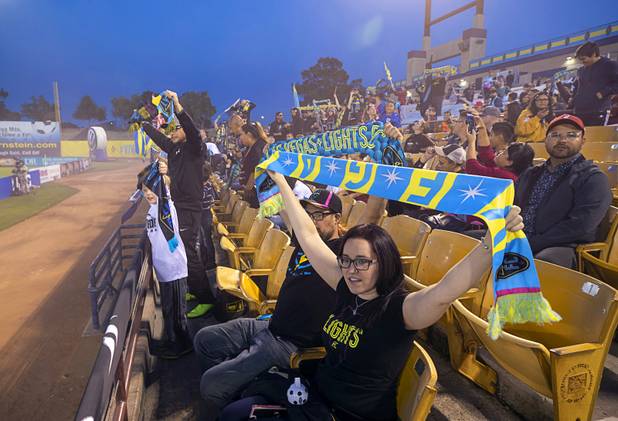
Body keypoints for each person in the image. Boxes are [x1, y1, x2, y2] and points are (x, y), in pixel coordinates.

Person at [220, 170, 523, 421]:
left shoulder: (400, 309)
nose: (352, 269)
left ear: (384, 262)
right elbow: (309, 236)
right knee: (235, 408)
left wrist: (493, 240)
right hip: (314, 399)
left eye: (362, 261)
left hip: (348, 415)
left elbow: (445, 291)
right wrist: (282, 182)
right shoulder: (345, 288)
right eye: (347, 260)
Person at [194, 190, 387, 418]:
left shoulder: (344, 253)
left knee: (210, 385)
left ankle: (242, 399)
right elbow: (282, 202)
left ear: (336, 217)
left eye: (319, 215)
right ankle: (245, 388)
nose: (312, 221)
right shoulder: (305, 240)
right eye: (308, 215)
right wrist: (272, 172)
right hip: (270, 325)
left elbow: (372, 215)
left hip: (290, 345)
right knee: (205, 340)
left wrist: (383, 179)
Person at [142, 90, 216, 318]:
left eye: (177, 129)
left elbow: (192, 131)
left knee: (189, 252)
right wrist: (144, 125)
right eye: (173, 128)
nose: (173, 132)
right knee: (184, 249)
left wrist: (177, 105)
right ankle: (195, 289)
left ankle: (207, 299)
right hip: (178, 205)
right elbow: (161, 139)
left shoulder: (196, 148)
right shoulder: (175, 148)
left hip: (190, 207)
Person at [516, 114, 612, 268]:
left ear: (583, 141)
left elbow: (580, 226)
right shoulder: (530, 174)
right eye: (555, 135)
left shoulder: (593, 178)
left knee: (543, 261)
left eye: (571, 135)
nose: (562, 140)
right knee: (472, 241)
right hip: (519, 236)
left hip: (563, 246)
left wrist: (531, 243)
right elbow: (510, 206)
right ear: (545, 140)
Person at [137, 163, 192, 359]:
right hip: (164, 269)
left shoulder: (165, 205)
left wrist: (161, 174)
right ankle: (172, 341)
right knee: (169, 310)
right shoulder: (152, 209)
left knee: (177, 313)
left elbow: (164, 191)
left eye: (151, 189)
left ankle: (182, 346)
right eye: (144, 190)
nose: (148, 194)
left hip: (174, 269)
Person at [466, 117, 533, 181]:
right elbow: (486, 152)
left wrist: (471, 142)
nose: (500, 152)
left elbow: (473, 168)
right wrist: (481, 127)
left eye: (504, 153)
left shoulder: (506, 176)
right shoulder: (507, 168)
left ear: (509, 162)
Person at [572, 41, 618, 126]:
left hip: (599, 110)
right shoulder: (581, 70)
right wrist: (573, 99)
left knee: (596, 136)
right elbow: (578, 88)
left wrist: (604, 92)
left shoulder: (609, 65)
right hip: (580, 111)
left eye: (583, 59)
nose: (582, 62)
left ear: (593, 54)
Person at [238, 121, 269, 208]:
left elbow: (255, 170)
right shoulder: (252, 146)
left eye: (241, 134)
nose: (240, 138)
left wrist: (248, 188)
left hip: (257, 192)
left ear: (249, 134)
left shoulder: (257, 148)